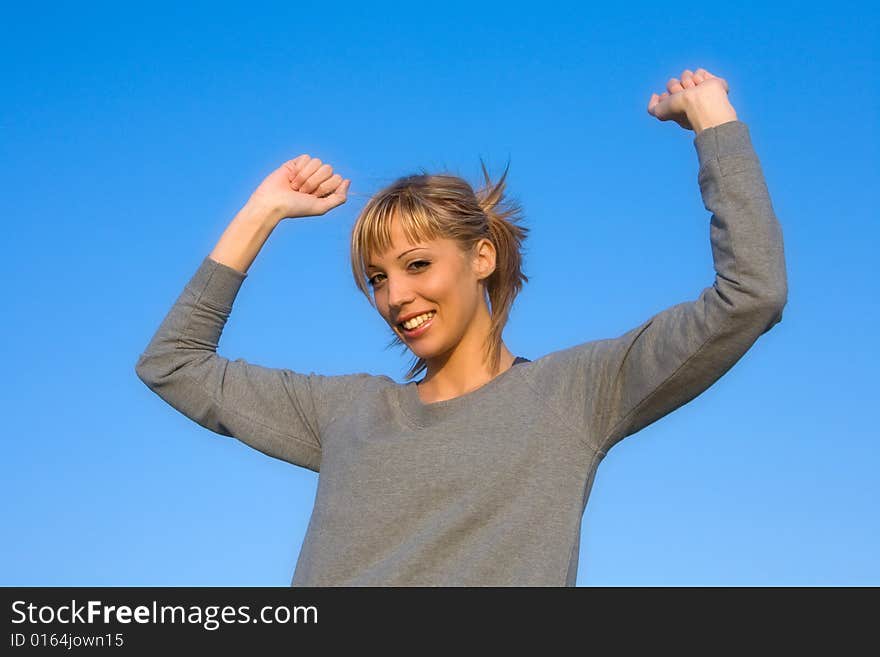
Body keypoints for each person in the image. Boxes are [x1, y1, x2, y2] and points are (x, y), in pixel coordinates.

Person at [135, 67, 788, 586]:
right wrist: (263, 210)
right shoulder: (345, 413)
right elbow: (172, 364)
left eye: (417, 264)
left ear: (482, 257)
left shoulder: (575, 395)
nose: (396, 295)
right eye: (377, 277)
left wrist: (715, 123)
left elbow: (750, 295)